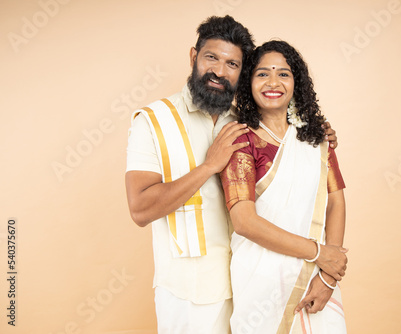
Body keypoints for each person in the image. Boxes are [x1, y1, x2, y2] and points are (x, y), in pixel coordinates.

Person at [125, 16, 342, 334]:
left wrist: (319, 136)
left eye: (232, 64)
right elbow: (140, 209)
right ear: (193, 57)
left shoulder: (246, 121)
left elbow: (289, 147)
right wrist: (208, 167)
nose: (219, 71)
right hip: (191, 292)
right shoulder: (154, 121)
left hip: (254, 280)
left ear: (242, 74)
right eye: (211, 57)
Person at [220, 40, 347, 333]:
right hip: (261, 280)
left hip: (316, 277)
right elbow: (244, 222)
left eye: (283, 74)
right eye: (262, 74)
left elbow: (336, 202)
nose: (273, 82)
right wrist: (320, 253)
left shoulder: (316, 139)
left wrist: (329, 276)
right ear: (249, 82)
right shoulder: (241, 140)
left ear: (296, 82)